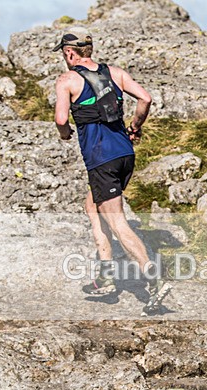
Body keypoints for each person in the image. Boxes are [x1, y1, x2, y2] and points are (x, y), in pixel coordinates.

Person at [53, 27, 170, 315]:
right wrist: (134, 128)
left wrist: (65, 132)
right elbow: (145, 98)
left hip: (101, 158)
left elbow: (60, 118)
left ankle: (152, 278)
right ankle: (106, 273)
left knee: (117, 221)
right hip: (124, 155)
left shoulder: (67, 80)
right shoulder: (115, 72)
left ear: (69, 53)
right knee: (93, 205)